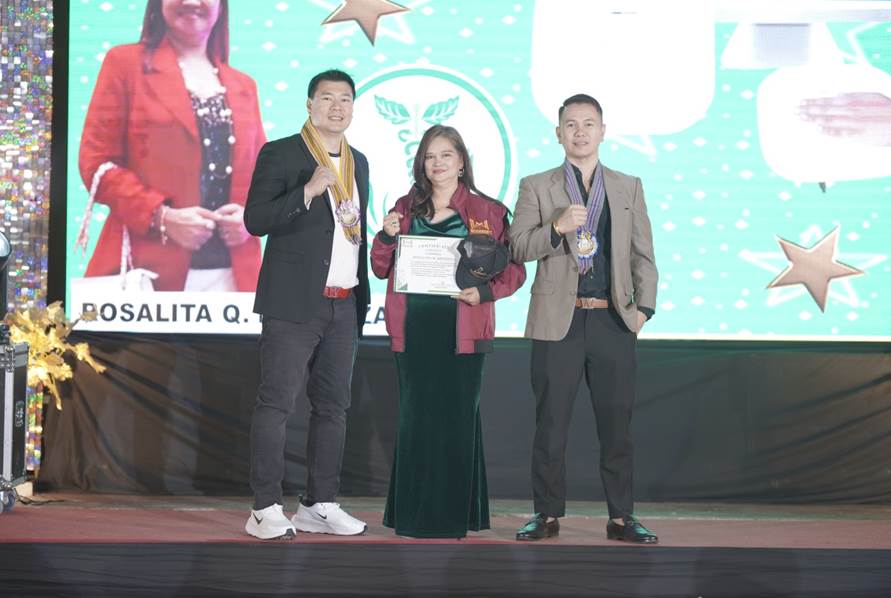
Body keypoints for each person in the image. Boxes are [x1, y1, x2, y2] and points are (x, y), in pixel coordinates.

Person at [508, 94, 659, 543]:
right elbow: (517, 247)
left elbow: (643, 253)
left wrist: (643, 310)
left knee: (617, 425)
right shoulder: (537, 185)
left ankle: (622, 517)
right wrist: (556, 228)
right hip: (559, 321)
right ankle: (546, 514)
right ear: (558, 133)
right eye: (571, 125)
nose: (580, 132)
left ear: (602, 131)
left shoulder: (628, 185)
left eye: (588, 124)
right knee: (551, 425)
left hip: (613, 320)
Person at [371, 125, 525, 538]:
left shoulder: (489, 211)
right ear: (421, 163)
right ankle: (412, 516)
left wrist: (484, 292)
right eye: (429, 156)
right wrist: (385, 236)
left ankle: (456, 516)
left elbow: (514, 270)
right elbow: (380, 267)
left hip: (464, 329)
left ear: (461, 162)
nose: (437, 163)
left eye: (446, 155)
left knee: (458, 421)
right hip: (413, 330)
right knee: (416, 421)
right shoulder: (405, 207)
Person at [242, 70, 370, 540]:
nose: (337, 106)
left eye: (345, 99)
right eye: (327, 98)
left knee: (333, 408)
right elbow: (255, 220)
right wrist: (306, 192)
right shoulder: (281, 153)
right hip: (294, 304)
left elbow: (350, 228)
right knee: (276, 404)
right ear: (309, 105)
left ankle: (319, 504)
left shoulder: (358, 162)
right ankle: (263, 508)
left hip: (344, 303)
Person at [77, 0, 264, 292]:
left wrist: (253, 218)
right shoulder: (125, 64)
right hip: (145, 273)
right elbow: (96, 163)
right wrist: (160, 216)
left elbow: (266, 176)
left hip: (235, 279)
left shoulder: (244, 85)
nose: (190, 2)